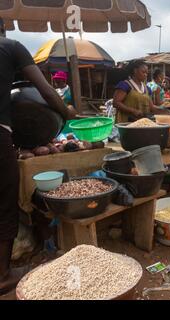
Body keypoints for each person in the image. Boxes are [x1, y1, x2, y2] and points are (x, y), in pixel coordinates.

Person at [0, 17, 72, 294]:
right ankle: (3, 274)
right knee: (5, 204)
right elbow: (46, 93)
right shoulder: (12, 46)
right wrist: (67, 113)